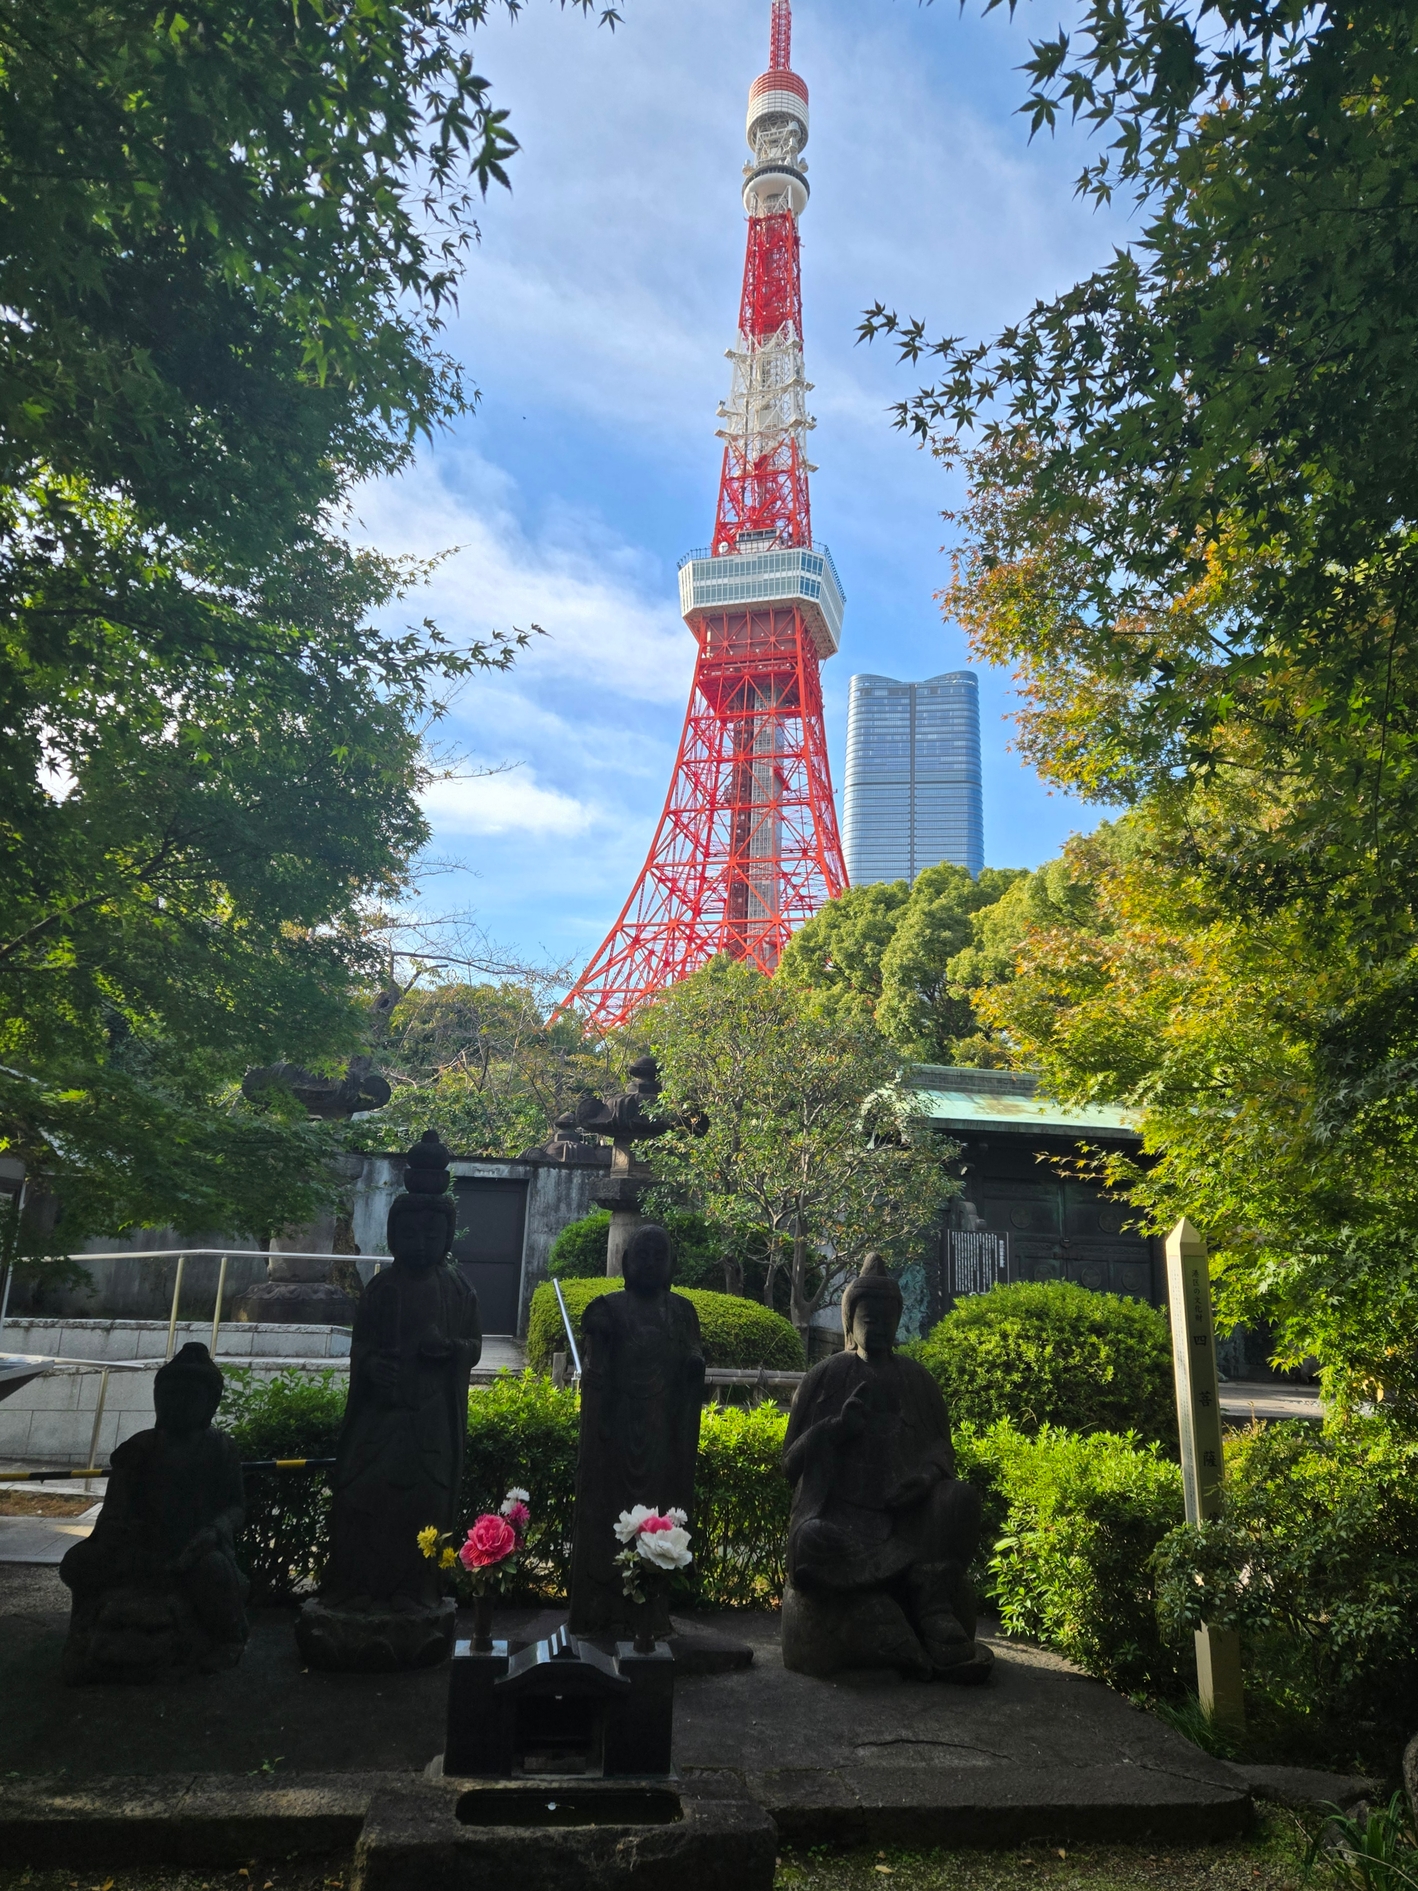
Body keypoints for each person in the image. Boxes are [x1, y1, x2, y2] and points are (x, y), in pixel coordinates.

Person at [781, 1254, 989, 1680]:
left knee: (960, 1499)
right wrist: (835, 1428)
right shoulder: (824, 1377)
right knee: (811, 1540)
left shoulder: (918, 1381)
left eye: (884, 1318)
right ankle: (871, 1608)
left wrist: (926, 1479)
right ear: (850, 1322)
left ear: (898, 1321)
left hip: (906, 1517)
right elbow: (790, 1465)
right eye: (867, 1317)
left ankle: (930, 1602)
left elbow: (942, 1452)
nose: (875, 1325)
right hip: (841, 1519)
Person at [319, 1130, 482, 1613]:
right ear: (392, 1235)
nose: (419, 1243)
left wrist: (450, 1349)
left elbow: (473, 1346)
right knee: (366, 1497)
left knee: (424, 1506)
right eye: (408, 1234)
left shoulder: (457, 1289)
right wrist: (372, 1366)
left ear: (447, 1237)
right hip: (382, 1418)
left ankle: (418, 1588)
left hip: (430, 1419)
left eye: (431, 1235)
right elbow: (361, 1347)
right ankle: (360, 1587)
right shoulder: (381, 1288)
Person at [60, 1341, 248, 1681]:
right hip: (138, 1546)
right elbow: (115, 1512)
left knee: (215, 1573)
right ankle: (83, 1637)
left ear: (209, 1405)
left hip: (194, 1549)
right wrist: (123, 1536)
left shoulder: (220, 1448)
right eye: (169, 1396)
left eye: (189, 1397)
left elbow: (236, 1507)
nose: (177, 1405)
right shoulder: (139, 1449)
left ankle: (228, 1639)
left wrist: (215, 1530)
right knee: (79, 1562)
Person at [568, 1223, 705, 1639]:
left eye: (657, 1257)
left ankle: (649, 1608)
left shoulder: (681, 1312)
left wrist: (694, 1367)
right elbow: (596, 1369)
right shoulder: (609, 1308)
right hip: (616, 1431)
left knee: (658, 1517)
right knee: (607, 1515)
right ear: (625, 1263)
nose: (648, 1264)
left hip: (661, 1430)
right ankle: (601, 1608)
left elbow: (692, 1357)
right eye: (640, 1256)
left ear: (670, 1266)